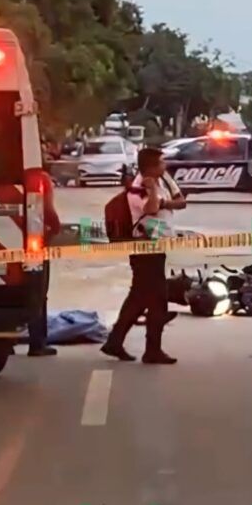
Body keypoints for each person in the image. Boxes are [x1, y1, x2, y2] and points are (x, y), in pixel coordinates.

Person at [101, 147, 187, 364]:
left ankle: (115, 341)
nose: (165, 165)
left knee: (139, 296)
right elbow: (150, 209)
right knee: (157, 298)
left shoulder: (164, 180)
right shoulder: (137, 189)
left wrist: (163, 200)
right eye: (161, 163)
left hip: (159, 244)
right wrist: (152, 193)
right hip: (144, 247)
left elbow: (181, 202)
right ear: (150, 167)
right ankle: (152, 350)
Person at [27, 169, 62, 357]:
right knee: (38, 293)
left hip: (7, 243)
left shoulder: (14, 174)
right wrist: (55, 228)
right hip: (35, 243)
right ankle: (37, 343)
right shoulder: (40, 178)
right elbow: (48, 211)